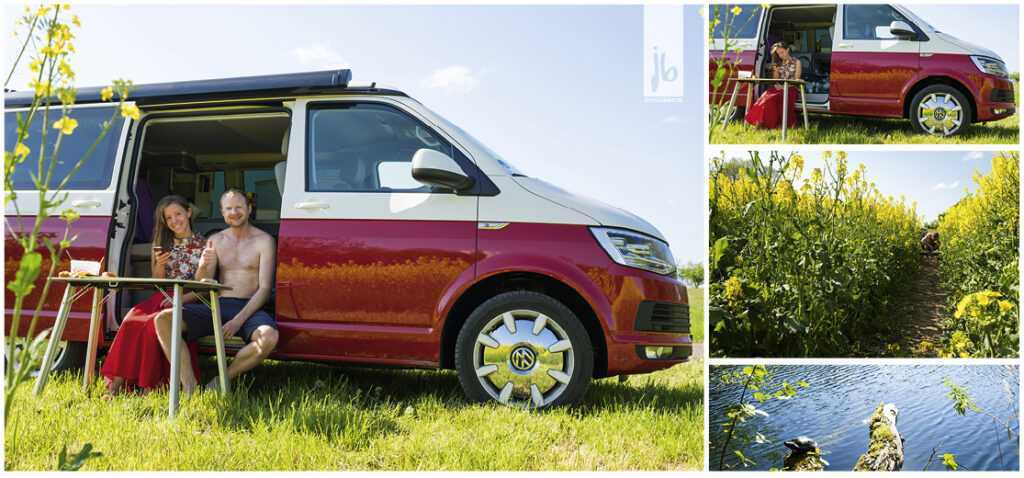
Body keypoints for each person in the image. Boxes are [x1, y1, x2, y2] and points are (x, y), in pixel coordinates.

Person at [154, 188, 279, 393]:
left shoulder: (265, 241)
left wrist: (238, 320)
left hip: (249, 307)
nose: (234, 212)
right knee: (163, 319)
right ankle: (189, 386)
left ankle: (221, 380)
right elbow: (203, 283)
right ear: (222, 212)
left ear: (249, 209)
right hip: (218, 304)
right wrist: (202, 265)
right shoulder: (217, 240)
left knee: (269, 337)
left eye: (239, 207)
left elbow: (265, 289)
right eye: (228, 209)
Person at [99, 195, 204, 400]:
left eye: (178, 214)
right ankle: (113, 389)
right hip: (161, 295)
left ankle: (150, 388)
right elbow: (157, 281)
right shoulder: (161, 242)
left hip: (186, 297)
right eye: (169, 218)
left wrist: (181, 300)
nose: (175, 221)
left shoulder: (204, 244)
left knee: (150, 326)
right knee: (130, 320)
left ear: (188, 213)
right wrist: (161, 264)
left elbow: (203, 288)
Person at [745, 41, 802, 129]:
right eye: (779, 54)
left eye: (782, 52)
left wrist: (783, 86)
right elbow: (777, 80)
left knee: (769, 100)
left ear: (788, 50)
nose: (781, 55)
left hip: (790, 89)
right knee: (763, 98)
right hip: (777, 88)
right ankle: (758, 126)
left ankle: (758, 128)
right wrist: (776, 71)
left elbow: (796, 80)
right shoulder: (779, 63)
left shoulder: (797, 62)